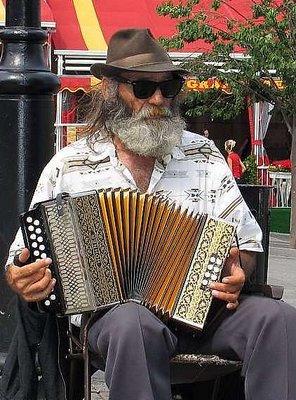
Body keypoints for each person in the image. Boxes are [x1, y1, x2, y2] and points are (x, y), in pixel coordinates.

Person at [2, 28, 296, 400]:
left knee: (280, 321)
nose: (158, 98)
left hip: (204, 314)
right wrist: (21, 276)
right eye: (142, 88)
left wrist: (240, 271)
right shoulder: (70, 166)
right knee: (133, 324)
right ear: (111, 90)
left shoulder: (203, 155)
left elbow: (247, 242)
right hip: (111, 318)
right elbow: (20, 258)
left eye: (168, 87)